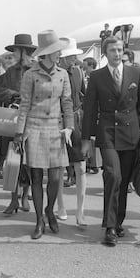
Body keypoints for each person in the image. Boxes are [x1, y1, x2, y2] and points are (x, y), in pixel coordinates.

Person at [81, 36, 140, 247]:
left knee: (123, 182)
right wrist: (86, 139)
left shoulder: (135, 72)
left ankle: (118, 221)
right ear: (105, 53)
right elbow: (89, 111)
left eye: (119, 49)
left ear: (124, 52)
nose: (116, 53)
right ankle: (110, 226)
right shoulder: (97, 77)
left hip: (131, 135)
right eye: (112, 50)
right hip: (108, 133)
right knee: (113, 175)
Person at [14, 30, 73, 239]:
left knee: (56, 177)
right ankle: (39, 219)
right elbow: (24, 105)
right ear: (47, 53)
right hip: (34, 128)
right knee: (36, 176)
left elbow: (67, 102)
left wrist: (70, 126)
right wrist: (19, 133)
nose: (60, 54)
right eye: (56, 51)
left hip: (56, 130)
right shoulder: (30, 75)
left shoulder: (63, 74)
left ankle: (50, 209)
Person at [0, 34, 36, 214]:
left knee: (29, 162)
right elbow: (0, 92)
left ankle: (25, 195)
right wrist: (13, 95)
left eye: (20, 51)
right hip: (12, 120)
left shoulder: (35, 71)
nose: (19, 54)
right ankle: (13, 199)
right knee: (12, 162)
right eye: (17, 51)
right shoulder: (9, 73)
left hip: (31, 121)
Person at [56, 37, 88, 225]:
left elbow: (82, 95)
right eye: (70, 56)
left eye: (74, 56)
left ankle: (80, 211)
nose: (73, 59)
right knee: (59, 168)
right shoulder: (57, 74)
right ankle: (60, 206)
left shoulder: (77, 72)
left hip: (77, 121)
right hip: (58, 122)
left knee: (81, 166)